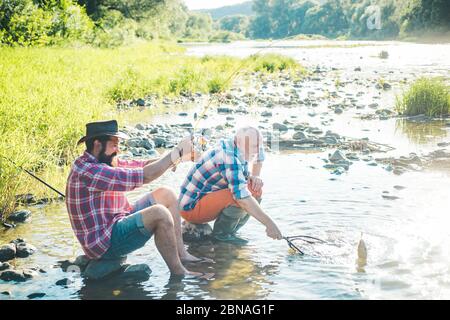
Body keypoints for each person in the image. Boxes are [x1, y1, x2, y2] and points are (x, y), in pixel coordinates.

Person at [66, 120, 212, 279]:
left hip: (115, 223)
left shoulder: (102, 161)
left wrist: (178, 158)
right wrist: (175, 152)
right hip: (104, 244)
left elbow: (140, 166)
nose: (118, 149)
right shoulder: (90, 171)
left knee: (166, 194)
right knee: (160, 213)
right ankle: (179, 273)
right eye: (114, 144)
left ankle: (182, 254)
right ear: (97, 144)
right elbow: (145, 175)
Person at [179, 126, 283, 245]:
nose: (256, 150)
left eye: (258, 146)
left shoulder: (245, 144)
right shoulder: (229, 156)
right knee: (240, 196)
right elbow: (241, 197)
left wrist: (255, 176)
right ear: (238, 142)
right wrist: (269, 224)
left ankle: (231, 231)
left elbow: (259, 157)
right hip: (190, 207)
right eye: (254, 147)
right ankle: (221, 236)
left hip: (209, 196)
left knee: (255, 188)